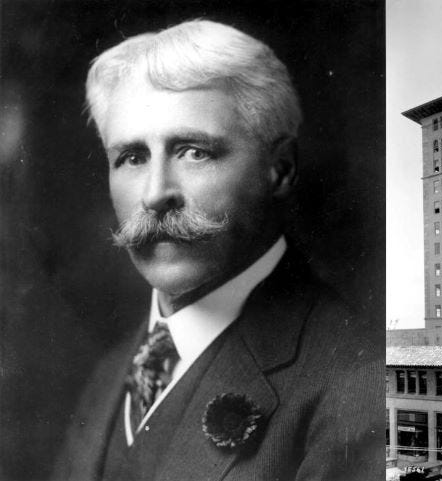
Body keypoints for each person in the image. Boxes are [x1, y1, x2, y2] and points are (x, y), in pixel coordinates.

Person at [52, 19, 381, 481]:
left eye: (194, 151)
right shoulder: (112, 370)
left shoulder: (357, 387)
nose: (155, 194)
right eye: (132, 157)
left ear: (280, 169)